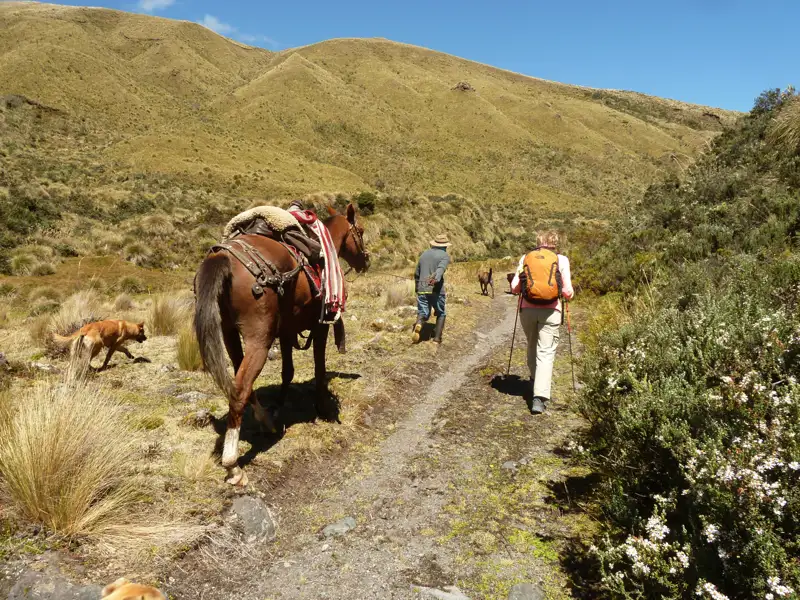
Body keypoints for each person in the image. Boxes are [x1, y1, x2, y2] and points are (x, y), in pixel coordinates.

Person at [510, 231, 574, 414]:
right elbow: (567, 291)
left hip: (527, 310)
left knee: (532, 345)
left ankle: (534, 379)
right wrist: (568, 295)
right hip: (551, 311)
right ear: (555, 243)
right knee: (545, 351)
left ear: (538, 242)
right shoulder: (562, 260)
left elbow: (515, 288)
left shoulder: (526, 258)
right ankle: (539, 397)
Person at [412, 234, 452, 344]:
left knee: (423, 312)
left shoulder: (424, 254)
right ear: (444, 246)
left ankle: (419, 323)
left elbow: (416, 273)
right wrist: (436, 278)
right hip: (436, 289)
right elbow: (441, 269)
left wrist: (417, 287)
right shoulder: (444, 255)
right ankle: (437, 339)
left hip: (422, 287)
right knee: (441, 313)